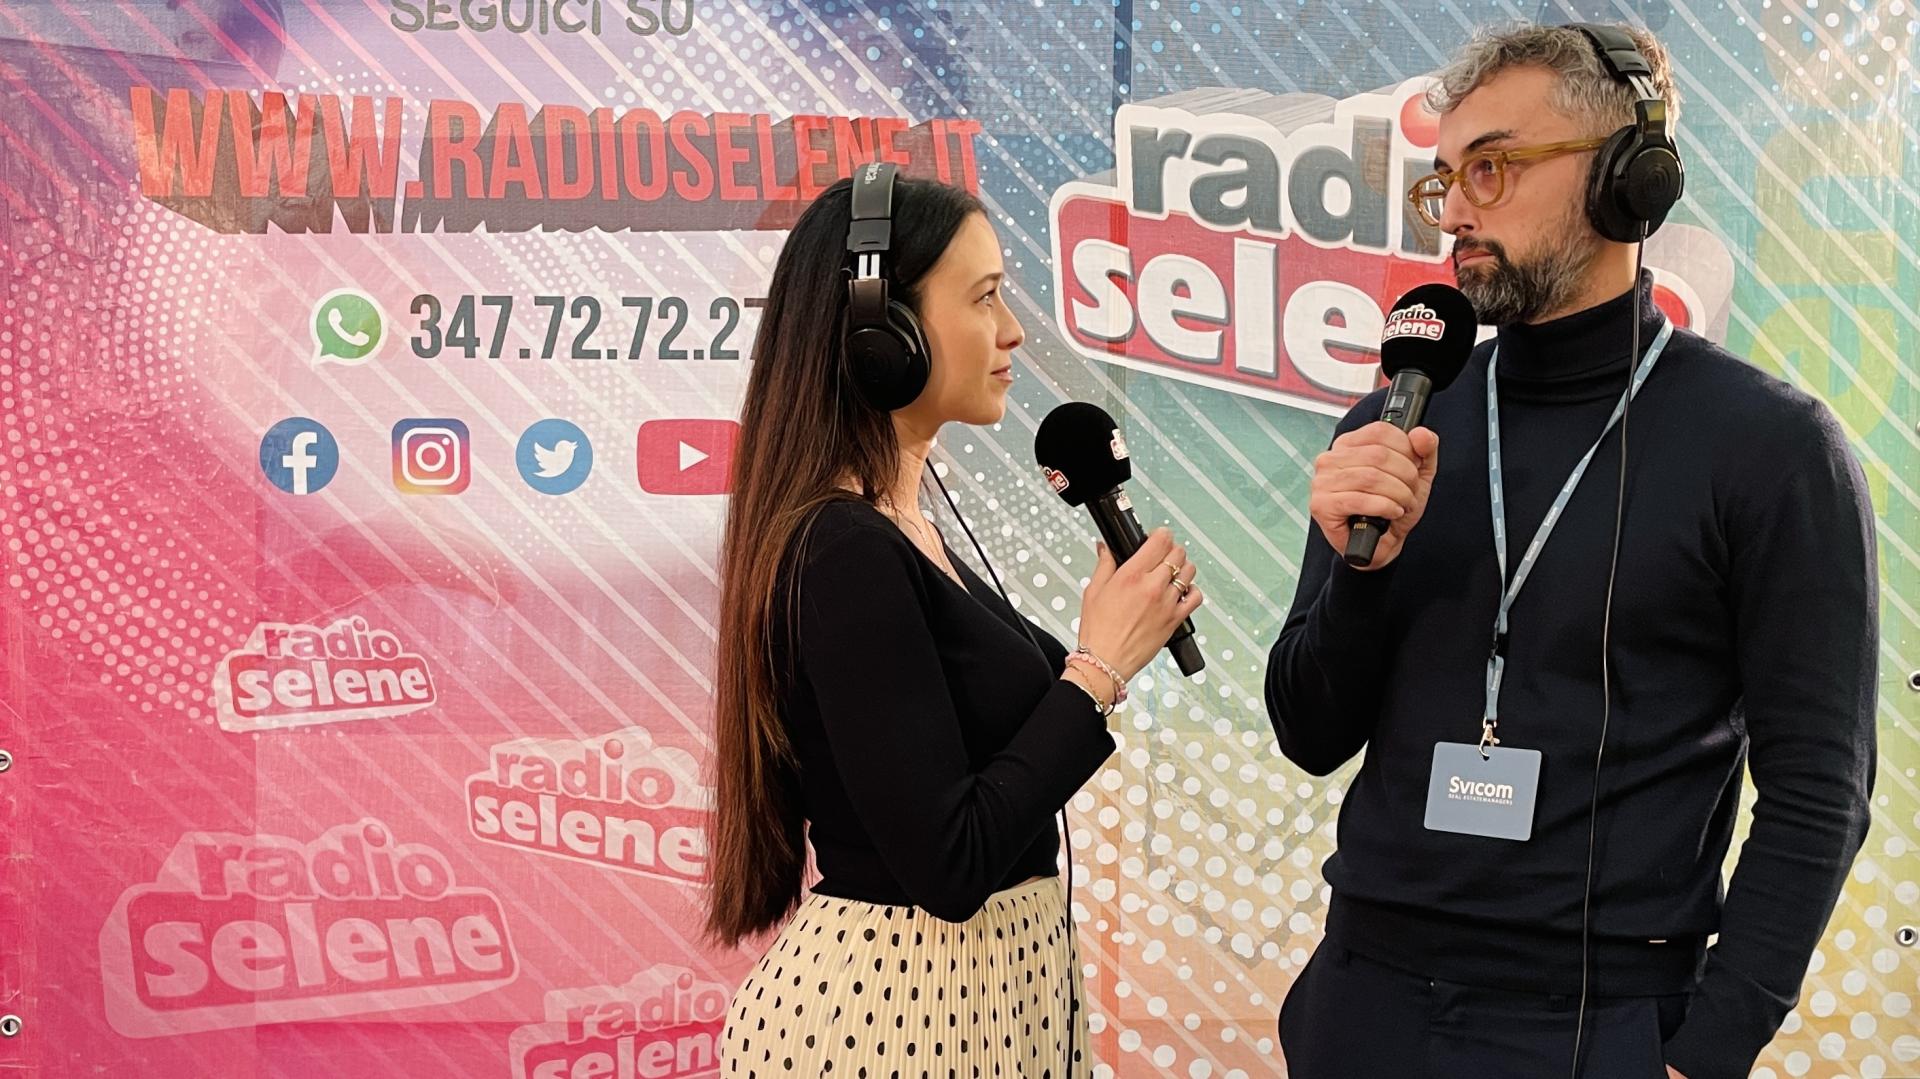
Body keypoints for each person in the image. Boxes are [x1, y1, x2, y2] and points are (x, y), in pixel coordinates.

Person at [1265, 22, 1876, 1079]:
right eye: (1444, 180)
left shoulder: (1772, 449)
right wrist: (1362, 575)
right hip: (1363, 1000)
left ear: (1625, 180)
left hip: (1602, 1020)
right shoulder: (1393, 426)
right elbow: (1309, 732)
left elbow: (1821, 787)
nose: (1456, 211)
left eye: (1492, 168)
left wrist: (1707, 1049)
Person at [704, 164, 1204, 1076]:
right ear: (881, 336)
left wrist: (1104, 646)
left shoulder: (907, 531)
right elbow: (950, 861)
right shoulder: (844, 548)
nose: (1013, 330)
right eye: (983, 297)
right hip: (894, 1018)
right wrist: (1096, 669)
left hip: (986, 997)